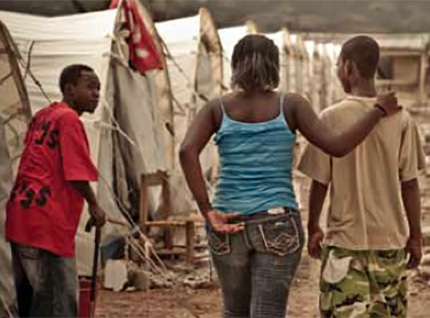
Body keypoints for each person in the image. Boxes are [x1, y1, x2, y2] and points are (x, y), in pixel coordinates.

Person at [179, 34, 399, 318]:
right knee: (268, 312)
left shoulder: (217, 108)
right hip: (278, 221)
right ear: (274, 65)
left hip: (226, 222)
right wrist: (378, 111)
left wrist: (207, 210)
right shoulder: (291, 105)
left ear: (235, 65)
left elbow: (187, 151)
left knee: (234, 311)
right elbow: (337, 146)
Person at [298, 35, 425, 318]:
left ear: (348, 68)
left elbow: (320, 182)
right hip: (390, 245)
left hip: (345, 245)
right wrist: (415, 236)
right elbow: (410, 184)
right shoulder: (401, 119)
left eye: (338, 64)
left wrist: (313, 226)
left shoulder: (330, 118)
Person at [5, 64, 107, 318]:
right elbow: (75, 173)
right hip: (46, 224)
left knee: (32, 304)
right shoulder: (69, 119)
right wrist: (94, 205)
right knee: (57, 304)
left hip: (21, 217)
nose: (96, 94)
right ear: (70, 90)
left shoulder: (43, 116)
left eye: (99, 89)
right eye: (90, 87)